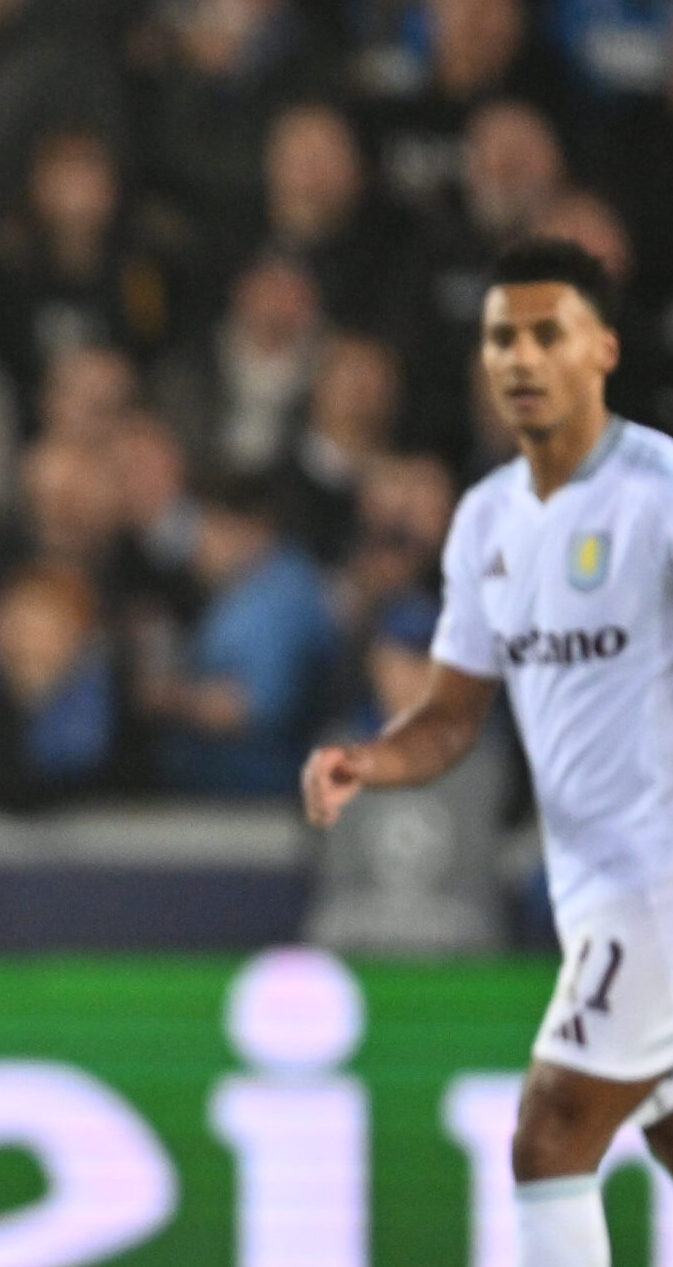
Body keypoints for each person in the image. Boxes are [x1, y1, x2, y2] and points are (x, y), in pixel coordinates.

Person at [302, 238, 673, 1267]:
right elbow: (455, 714)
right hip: (595, 885)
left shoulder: (658, 497)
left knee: (550, 1130)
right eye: (500, 336)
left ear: (600, 349)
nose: (517, 356)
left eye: (544, 333)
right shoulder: (484, 523)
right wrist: (370, 762)